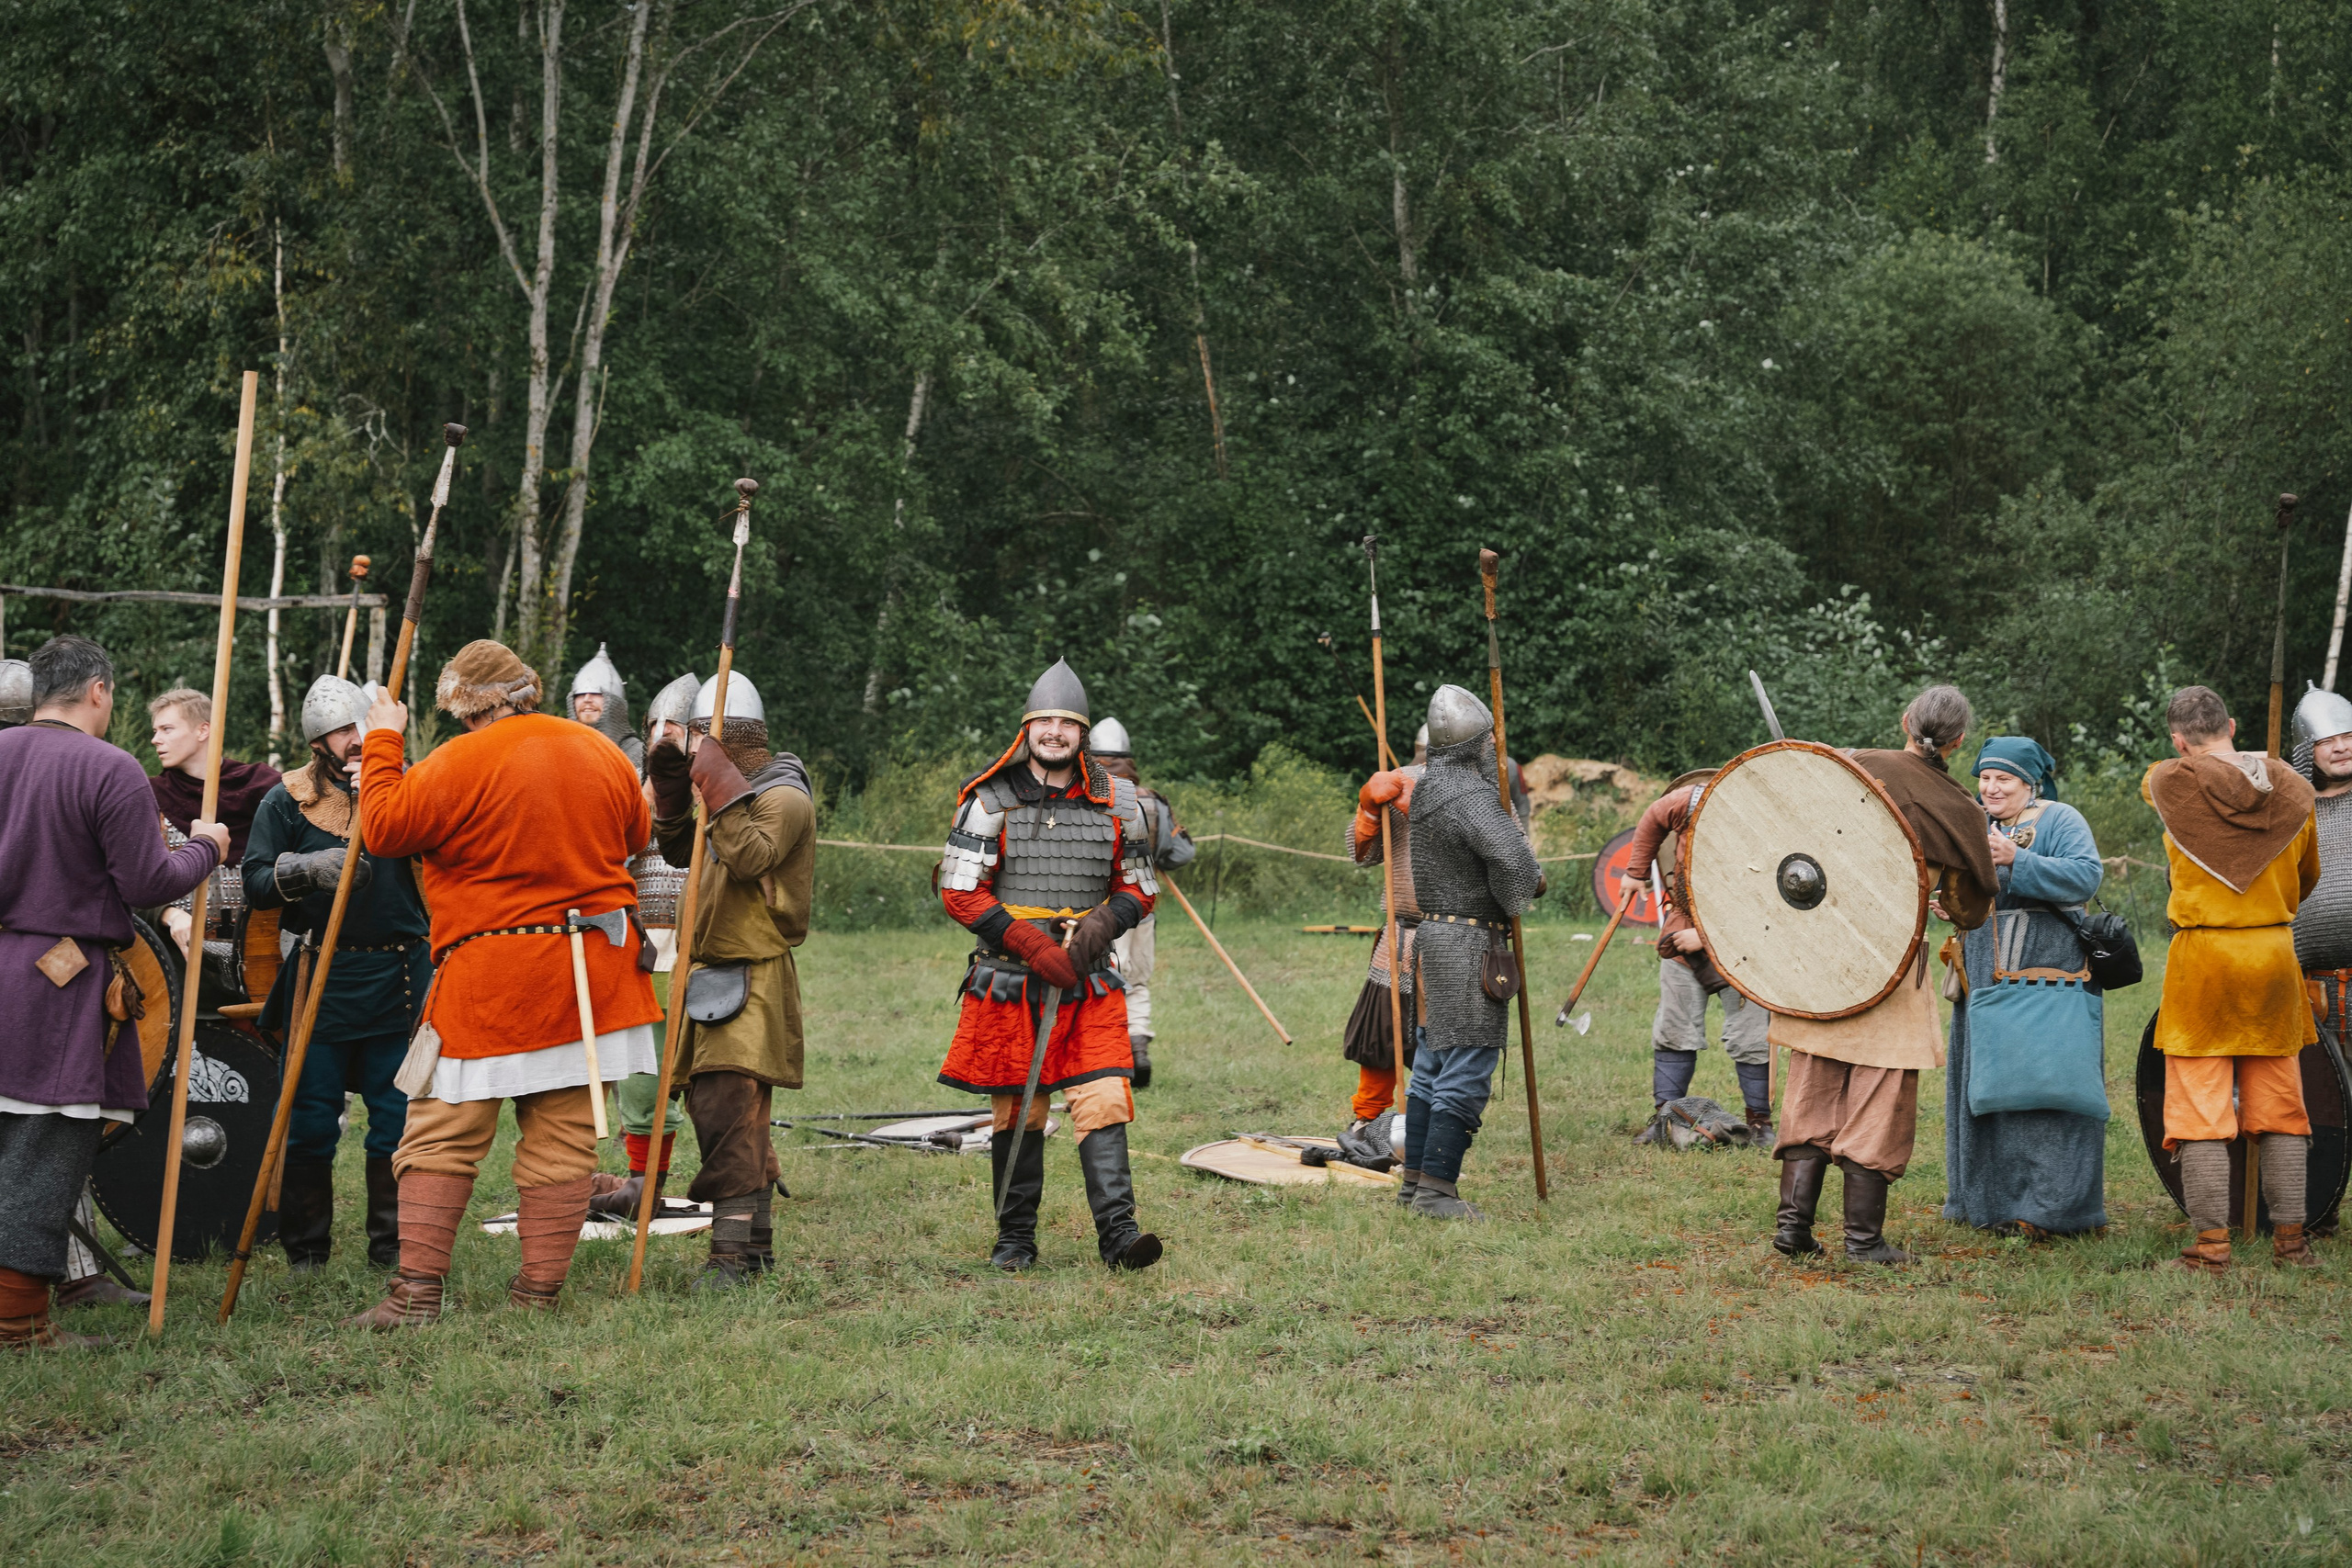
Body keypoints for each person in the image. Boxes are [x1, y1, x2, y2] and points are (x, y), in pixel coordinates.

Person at [346, 639, 662, 1326]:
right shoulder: (603, 751)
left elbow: (384, 828)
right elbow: (637, 836)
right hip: (592, 974)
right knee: (564, 1138)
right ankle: (535, 1298)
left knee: (440, 1133)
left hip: (494, 977)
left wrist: (382, 742)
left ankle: (416, 1294)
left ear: (465, 708)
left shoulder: (455, 760)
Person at [0, 636, 224, 1348]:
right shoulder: (108, 766)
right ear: (98, 690)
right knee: (45, 1143)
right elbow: (149, 880)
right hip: (58, 982)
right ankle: (17, 1321)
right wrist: (208, 845)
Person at [935, 659, 1162, 1272]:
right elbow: (960, 890)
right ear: (1028, 728)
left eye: (1067, 723)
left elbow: (1139, 886)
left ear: (1081, 732)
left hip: (1089, 978)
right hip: (1011, 979)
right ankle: (1015, 1240)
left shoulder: (1119, 802)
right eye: (1045, 722)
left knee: (1105, 1096)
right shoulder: (990, 799)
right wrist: (1030, 944)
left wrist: (1102, 925)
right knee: (1018, 1109)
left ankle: (1119, 1236)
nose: (1055, 732)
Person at [1771, 685, 1996, 1265]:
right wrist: (1941, 893)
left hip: (1823, 954)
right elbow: (1970, 908)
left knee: (1812, 1083)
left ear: (1905, 721)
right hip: (1894, 966)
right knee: (1880, 1097)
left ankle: (1793, 1228)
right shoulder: (1961, 809)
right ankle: (1863, 1241)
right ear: (1958, 741)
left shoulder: (1852, 768)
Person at [243, 675, 433, 1271]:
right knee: (309, 1120)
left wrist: (388, 791)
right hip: (321, 977)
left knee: (397, 1120)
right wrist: (304, 869)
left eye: (364, 726)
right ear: (318, 741)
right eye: (344, 730)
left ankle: (391, 1246)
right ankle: (306, 1250)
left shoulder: (408, 787)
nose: (357, 739)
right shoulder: (287, 798)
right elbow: (255, 881)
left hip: (399, 978)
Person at [645, 671, 815, 1286]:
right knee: (725, 1110)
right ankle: (754, 1248)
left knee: (728, 1108)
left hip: (754, 972)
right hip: (709, 969)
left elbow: (748, 858)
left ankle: (729, 1260)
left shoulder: (783, 798)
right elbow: (683, 853)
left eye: (698, 739)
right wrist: (672, 797)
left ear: (728, 740)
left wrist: (716, 785)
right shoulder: (727, 797)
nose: (692, 749)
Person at [2146, 684, 2321, 1272]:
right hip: (2272, 954)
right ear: (2233, 726)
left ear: (2178, 742)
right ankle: (2291, 1244)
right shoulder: (2293, 789)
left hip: (2204, 960)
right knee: (2281, 1107)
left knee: (2200, 1111)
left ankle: (2212, 1250)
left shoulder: (2168, 784)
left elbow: (2167, 773)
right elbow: (2307, 877)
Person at [1941, 737, 2109, 1237]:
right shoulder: (1974, 822)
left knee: (2048, 1085)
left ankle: (2053, 1208)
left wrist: (2018, 858)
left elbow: (2086, 877)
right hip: (1985, 970)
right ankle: (1985, 1202)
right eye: (1985, 778)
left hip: (2049, 975)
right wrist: (1954, 904)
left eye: (2004, 779)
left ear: (2030, 783)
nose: (1991, 788)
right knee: (1989, 1083)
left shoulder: (2060, 819)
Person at [1396, 686, 1544, 1221]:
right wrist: (1525, 889)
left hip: (1433, 939)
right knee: (1466, 1064)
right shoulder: (1470, 795)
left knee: (1431, 1064)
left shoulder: (1429, 787)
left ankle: (1415, 1185)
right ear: (1478, 745)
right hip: (1467, 944)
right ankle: (1436, 1193)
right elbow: (1516, 863)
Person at [594, 669, 700, 1222]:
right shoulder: (633, 782)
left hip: (708, 946)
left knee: (716, 1073)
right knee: (644, 1073)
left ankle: (750, 1176)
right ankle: (644, 1183)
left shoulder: (724, 787)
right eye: (655, 724)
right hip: (647, 946)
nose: (662, 734)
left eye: (675, 726)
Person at [1620, 769, 1772, 1139]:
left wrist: (1706, 937)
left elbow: (1774, 902)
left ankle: (1760, 1124)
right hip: (1683, 933)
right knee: (1674, 1029)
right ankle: (1664, 1121)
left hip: (1747, 945)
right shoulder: (1692, 801)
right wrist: (1636, 871)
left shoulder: (1775, 825)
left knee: (1751, 1038)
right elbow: (1654, 816)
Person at [1087, 716, 1195, 1089]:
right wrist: (1155, 853)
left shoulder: (1077, 795)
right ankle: (1137, 1048)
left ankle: (1107, 1058)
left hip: (1093, 911)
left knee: (1099, 979)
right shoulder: (1151, 800)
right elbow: (1181, 853)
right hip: (1140, 905)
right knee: (1136, 981)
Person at [1340, 726, 1428, 1152]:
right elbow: (1363, 853)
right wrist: (1370, 810)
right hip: (1401, 932)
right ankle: (1369, 1119)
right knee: (1379, 1036)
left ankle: (1432, 1122)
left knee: (1444, 1040)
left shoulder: (1484, 791)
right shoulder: (1397, 783)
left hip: (1461, 936)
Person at [147, 686, 279, 858]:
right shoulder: (151, 793)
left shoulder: (261, 784)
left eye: (167, 729)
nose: (155, 740)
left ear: (203, 731)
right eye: (155, 731)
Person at [568, 643, 646, 773]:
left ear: (615, 703)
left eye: (596, 693)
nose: (587, 699)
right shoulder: (562, 749)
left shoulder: (637, 755)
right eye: (580, 694)